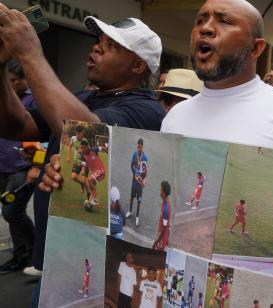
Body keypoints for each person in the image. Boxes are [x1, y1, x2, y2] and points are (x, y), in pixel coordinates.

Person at [160, 0, 273, 280]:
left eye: (223, 21)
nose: (206, 28)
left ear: (256, 48)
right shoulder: (174, 117)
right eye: (200, 20)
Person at [0, 7, 165, 277]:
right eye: (98, 41)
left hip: (92, 264)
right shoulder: (85, 98)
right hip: (57, 257)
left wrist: (29, 52)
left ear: (138, 66)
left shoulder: (145, 109)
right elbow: (15, 125)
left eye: (110, 45)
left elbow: (83, 132)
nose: (97, 48)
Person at [0, 59, 36, 274]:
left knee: (12, 212)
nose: (10, 83)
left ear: (24, 80)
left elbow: (45, 135)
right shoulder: (4, 97)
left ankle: (34, 253)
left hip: (22, 166)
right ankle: (20, 255)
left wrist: (36, 166)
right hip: (3, 166)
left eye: (14, 80)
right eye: (7, 79)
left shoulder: (33, 100)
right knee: (11, 211)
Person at [79, 139, 107, 209]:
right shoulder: (83, 155)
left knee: (90, 180)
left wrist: (108, 153)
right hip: (94, 173)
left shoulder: (94, 150)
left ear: (88, 146)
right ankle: (91, 202)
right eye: (81, 148)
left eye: (84, 147)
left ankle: (95, 199)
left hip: (101, 170)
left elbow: (103, 148)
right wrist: (83, 171)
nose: (83, 149)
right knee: (91, 187)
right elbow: (85, 166)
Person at [128, 138, 148, 226]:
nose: (139, 149)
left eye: (140, 147)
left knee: (139, 201)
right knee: (132, 197)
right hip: (134, 181)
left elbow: (145, 172)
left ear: (142, 147)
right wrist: (134, 175)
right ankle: (130, 212)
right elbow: (131, 165)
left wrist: (142, 180)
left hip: (139, 183)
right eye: (138, 147)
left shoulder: (145, 158)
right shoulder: (134, 154)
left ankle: (137, 217)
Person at [67, 125, 88, 193]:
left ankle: (89, 194)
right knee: (74, 177)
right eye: (78, 133)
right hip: (77, 160)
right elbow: (70, 146)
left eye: (81, 133)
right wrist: (68, 156)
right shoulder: (73, 138)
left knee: (83, 176)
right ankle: (81, 183)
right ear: (76, 133)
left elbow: (88, 152)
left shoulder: (85, 141)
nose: (79, 135)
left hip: (84, 161)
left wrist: (82, 151)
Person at [153, 181, 171, 251]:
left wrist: (156, 242)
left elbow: (164, 229)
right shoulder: (166, 202)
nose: (159, 191)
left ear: (163, 193)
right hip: (162, 236)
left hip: (161, 240)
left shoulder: (165, 209)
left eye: (160, 189)